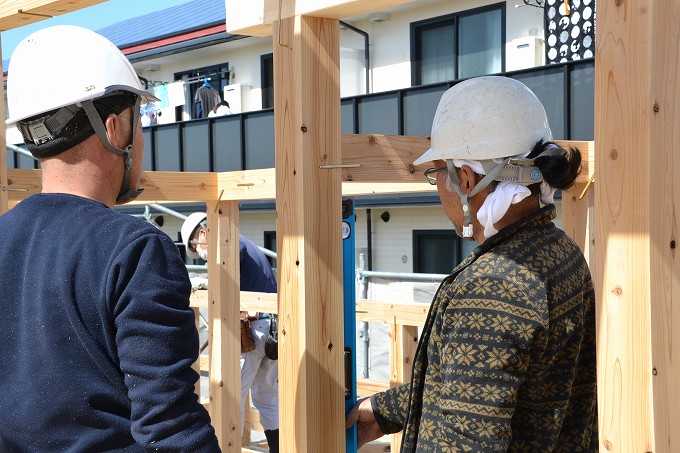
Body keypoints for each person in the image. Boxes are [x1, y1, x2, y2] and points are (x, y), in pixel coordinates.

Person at [346, 76, 598, 452]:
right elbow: (493, 389)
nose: (439, 190)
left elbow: (469, 440)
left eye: (438, 175)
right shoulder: (560, 252)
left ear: (465, 179)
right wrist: (386, 411)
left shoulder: (492, 285)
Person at [0, 26, 220, 451]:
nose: (142, 140)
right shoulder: (135, 250)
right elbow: (170, 427)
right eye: (141, 124)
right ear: (115, 128)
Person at [182, 213, 280, 453]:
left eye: (197, 247)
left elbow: (228, 268)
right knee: (266, 395)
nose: (200, 253)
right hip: (271, 327)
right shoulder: (241, 242)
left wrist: (208, 283)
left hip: (254, 329)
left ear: (203, 233)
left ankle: (230, 448)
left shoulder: (228, 244)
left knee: (233, 394)